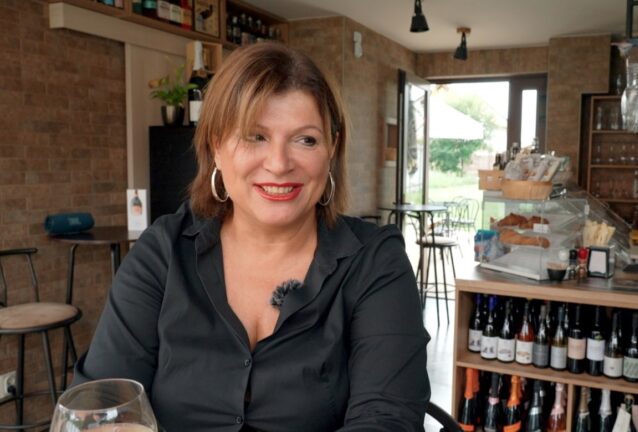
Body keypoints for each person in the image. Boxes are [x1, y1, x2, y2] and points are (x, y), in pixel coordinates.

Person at [74, 42, 431, 431]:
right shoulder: (163, 252)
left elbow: (386, 419)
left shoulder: (375, 263)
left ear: (332, 149)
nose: (278, 164)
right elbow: (102, 405)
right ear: (216, 146)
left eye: (306, 139)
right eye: (254, 136)